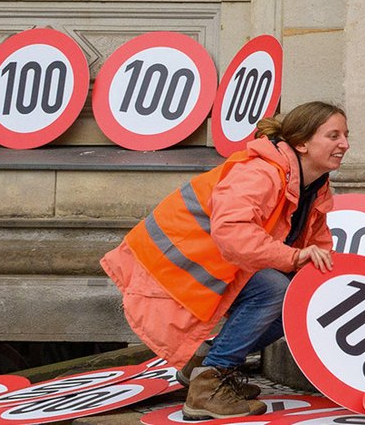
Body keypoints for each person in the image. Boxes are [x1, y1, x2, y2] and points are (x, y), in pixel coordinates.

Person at [100, 102, 348, 419]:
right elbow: (232, 231)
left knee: (300, 300)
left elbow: (317, 246)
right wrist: (294, 257)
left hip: (211, 258)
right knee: (275, 290)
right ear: (302, 143)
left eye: (345, 135)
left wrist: (330, 281)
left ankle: (203, 367)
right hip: (176, 258)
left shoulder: (314, 187)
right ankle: (210, 385)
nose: (345, 144)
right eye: (333, 135)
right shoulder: (261, 173)